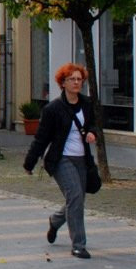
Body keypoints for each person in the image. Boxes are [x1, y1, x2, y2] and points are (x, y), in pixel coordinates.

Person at [22, 62, 98, 259]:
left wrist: (92, 132)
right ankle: (79, 245)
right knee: (75, 196)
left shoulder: (87, 104)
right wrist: (29, 163)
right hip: (60, 159)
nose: (76, 82)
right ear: (62, 83)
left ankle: (55, 221)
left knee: (77, 199)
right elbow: (41, 138)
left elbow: (95, 124)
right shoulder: (52, 109)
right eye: (71, 79)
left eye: (79, 79)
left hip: (82, 159)